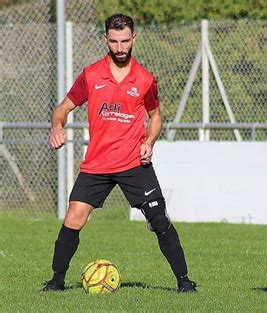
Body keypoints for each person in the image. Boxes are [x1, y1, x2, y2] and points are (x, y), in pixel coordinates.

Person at [43, 14, 196, 292]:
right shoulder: (91, 75)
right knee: (73, 217)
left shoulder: (146, 79)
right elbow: (63, 108)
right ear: (106, 40)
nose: (120, 47)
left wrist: (150, 140)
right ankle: (56, 281)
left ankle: (184, 282)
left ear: (134, 39)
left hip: (134, 162)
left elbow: (156, 116)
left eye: (125, 41)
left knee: (159, 219)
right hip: (97, 163)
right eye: (114, 41)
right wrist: (56, 126)